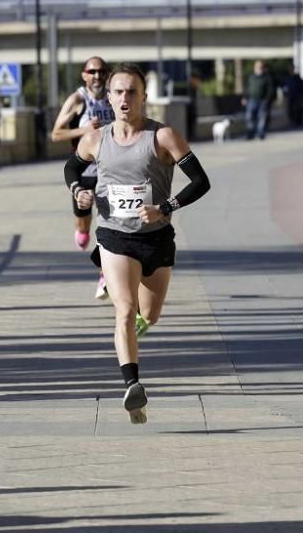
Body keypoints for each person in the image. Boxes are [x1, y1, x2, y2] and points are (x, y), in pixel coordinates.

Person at [63, 63, 211, 424]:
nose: (125, 98)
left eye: (132, 91)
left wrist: (165, 207)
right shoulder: (96, 139)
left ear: (144, 96)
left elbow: (200, 182)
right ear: (109, 97)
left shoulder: (163, 137)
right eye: (118, 92)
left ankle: (134, 333)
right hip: (115, 236)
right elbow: (72, 168)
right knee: (124, 310)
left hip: (157, 240)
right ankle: (133, 386)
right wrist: (78, 191)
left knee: (151, 314)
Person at [51, 56, 114, 299]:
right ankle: (81, 232)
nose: (98, 76)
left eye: (102, 71)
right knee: (83, 227)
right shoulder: (78, 100)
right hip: (84, 173)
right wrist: (84, 130)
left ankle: (105, 276)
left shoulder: (114, 96)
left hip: (111, 172)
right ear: (84, 75)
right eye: (93, 71)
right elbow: (56, 133)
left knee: (110, 226)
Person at [243, 60, 274, 140]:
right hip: (252, 99)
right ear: (254, 67)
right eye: (257, 66)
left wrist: (267, 100)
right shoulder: (251, 76)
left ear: (263, 67)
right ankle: (250, 133)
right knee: (249, 117)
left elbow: (270, 90)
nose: (258, 68)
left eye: (260, 66)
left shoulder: (267, 77)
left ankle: (261, 133)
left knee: (262, 117)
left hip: (262, 100)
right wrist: (245, 97)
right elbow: (247, 88)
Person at [283, 63, 303, 128]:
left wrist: (302, 94)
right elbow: (284, 87)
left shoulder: (297, 77)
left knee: (299, 109)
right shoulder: (287, 78)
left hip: (298, 95)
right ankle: (292, 122)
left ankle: (299, 122)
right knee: (290, 110)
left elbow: (302, 86)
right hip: (290, 96)